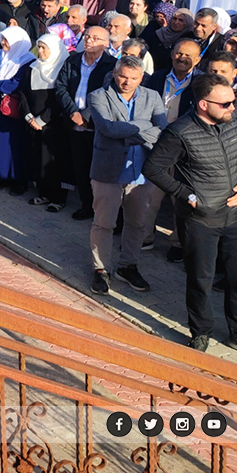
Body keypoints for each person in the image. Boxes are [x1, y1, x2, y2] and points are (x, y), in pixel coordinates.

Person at [145, 74, 237, 357]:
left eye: (232, 102)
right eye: (225, 104)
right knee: (200, 280)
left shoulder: (231, 121)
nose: (232, 108)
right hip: (200, 222)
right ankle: (200, 332)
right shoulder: (179, 132)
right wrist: (187, 196)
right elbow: (153, 168)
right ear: (202, 104)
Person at [87, 56, 166, 295]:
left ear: (141, 78)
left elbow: (162, 131)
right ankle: (101, 269)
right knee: (104, 223)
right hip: (108, 170)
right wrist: (144, 127)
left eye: (133, 78)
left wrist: (128, 130)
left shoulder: (152, 96)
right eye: (123, 76)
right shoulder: (98, 96)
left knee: (137, 223)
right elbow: (107, 128)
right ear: (114, 73)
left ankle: (128, 266)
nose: (127, 82)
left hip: (141, 171)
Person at [54, 26, 116, 220]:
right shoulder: (72, 60)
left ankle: (102, 210)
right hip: (72, 121)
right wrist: (73, 112)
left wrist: (86, 116)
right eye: (87, 36)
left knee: (96, 170)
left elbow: (109, 92)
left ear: (106, 44)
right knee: (79, 166)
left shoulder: (112, 65)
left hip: (97, 125)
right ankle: (86, 205)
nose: (89, 40)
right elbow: (61, 87)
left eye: (95, 38)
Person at [21, 32, 70, 209]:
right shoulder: (32, 67)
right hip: (33, 121)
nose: (40, 51)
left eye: (44, 48)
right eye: (39, 47)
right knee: (37, 157)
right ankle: (43, 193)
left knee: (53, 161)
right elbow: (23, 94)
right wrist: (28, 116)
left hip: (52, 124)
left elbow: (59, 99)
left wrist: (42, 120)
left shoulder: (61, 69)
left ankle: (58, 198)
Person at [0, 26, 35, 193]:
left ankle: (18, 180)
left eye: (7, 40)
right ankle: (0, 176)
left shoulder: (27, 60)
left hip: (12, 106)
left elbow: (17, 82)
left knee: (15, 143)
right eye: (3, 39)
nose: (4, 42)